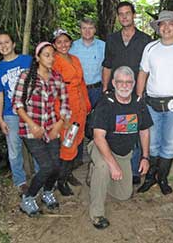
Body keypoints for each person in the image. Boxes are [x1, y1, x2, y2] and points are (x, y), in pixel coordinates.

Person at [136, 10, 173, 195]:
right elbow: (142, 74)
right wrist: (139, 101)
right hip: (151, 103)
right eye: (163, 24)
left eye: (171, 24)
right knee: (152, 143)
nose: (167, 27)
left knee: (169, 144)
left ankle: (162, 178)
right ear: (158, 28)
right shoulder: (150, 48)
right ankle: (150, 177)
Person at [89, 66, 153, 229]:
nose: (124, 86)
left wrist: (145, 157)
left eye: (128, 82)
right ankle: (97, 213)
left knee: (123, 195)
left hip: (124, 153)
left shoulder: (138, 103)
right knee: (104, 167)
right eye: (120, 82)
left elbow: (144, 131)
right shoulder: (106, 103)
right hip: (102, 147)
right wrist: (112, 165)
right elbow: (98, 137)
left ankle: (96, 177)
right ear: (113, 83)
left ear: (133, 84)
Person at [13, 42, 71, 216]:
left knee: (57, 166)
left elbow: (65, 104)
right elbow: (18, 104)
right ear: (37, 58)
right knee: (46, 167)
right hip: (31, 129)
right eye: (47, 55)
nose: (51, 58)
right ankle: (28, 198)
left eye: (52, 55)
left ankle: (47, 192)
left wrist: (59, 125)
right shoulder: (27, 76)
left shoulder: (57, 77)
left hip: (51, 127)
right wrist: (32, 124)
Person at [102, 1, 151, 185]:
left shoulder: (145, 40)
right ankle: (115, 165)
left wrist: (140, 93)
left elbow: (147, 69)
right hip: (116, 92)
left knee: (136, 128)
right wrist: (105, 89)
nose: (124, 17)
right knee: (118, 127)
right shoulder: (112, 39)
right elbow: (107, 65)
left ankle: (135, 170)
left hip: (136, 92)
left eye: (127, 13)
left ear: (134, 15)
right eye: (121, 14)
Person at [0, 32, 37, 195]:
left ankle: (40, 178)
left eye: (6, 42)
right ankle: (20, 181)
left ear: (13, 43)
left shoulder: (27, 60)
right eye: (0, 43)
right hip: (11, 114)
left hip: (31, 111)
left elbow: (39, 80)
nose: (4, 46)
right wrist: (0, 118)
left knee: (37, 146)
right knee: (14, 149)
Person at [52, 28, 91, 196]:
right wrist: (61, 114)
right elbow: (52, 90)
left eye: (66, 41)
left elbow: (81, 82)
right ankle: (61, 180)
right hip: (65, 106)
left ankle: (68, 173)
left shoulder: (75, 58)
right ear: (54, 45)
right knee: (67, 142)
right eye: (59, 42)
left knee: (77, 138)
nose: (63, 45)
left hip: (79, 104)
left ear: (70, 42)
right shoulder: (54, 61)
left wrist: (87, 104)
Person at [69, 17, 105, 107]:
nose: (87, 31)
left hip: (97, 90)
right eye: (84, 28)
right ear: (80, 30)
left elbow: (108, 67)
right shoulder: (72, 47)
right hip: (78, 89)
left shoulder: (103, 46)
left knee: (97, 118)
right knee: (81, 118)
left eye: (90, 28)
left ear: (95, 30)